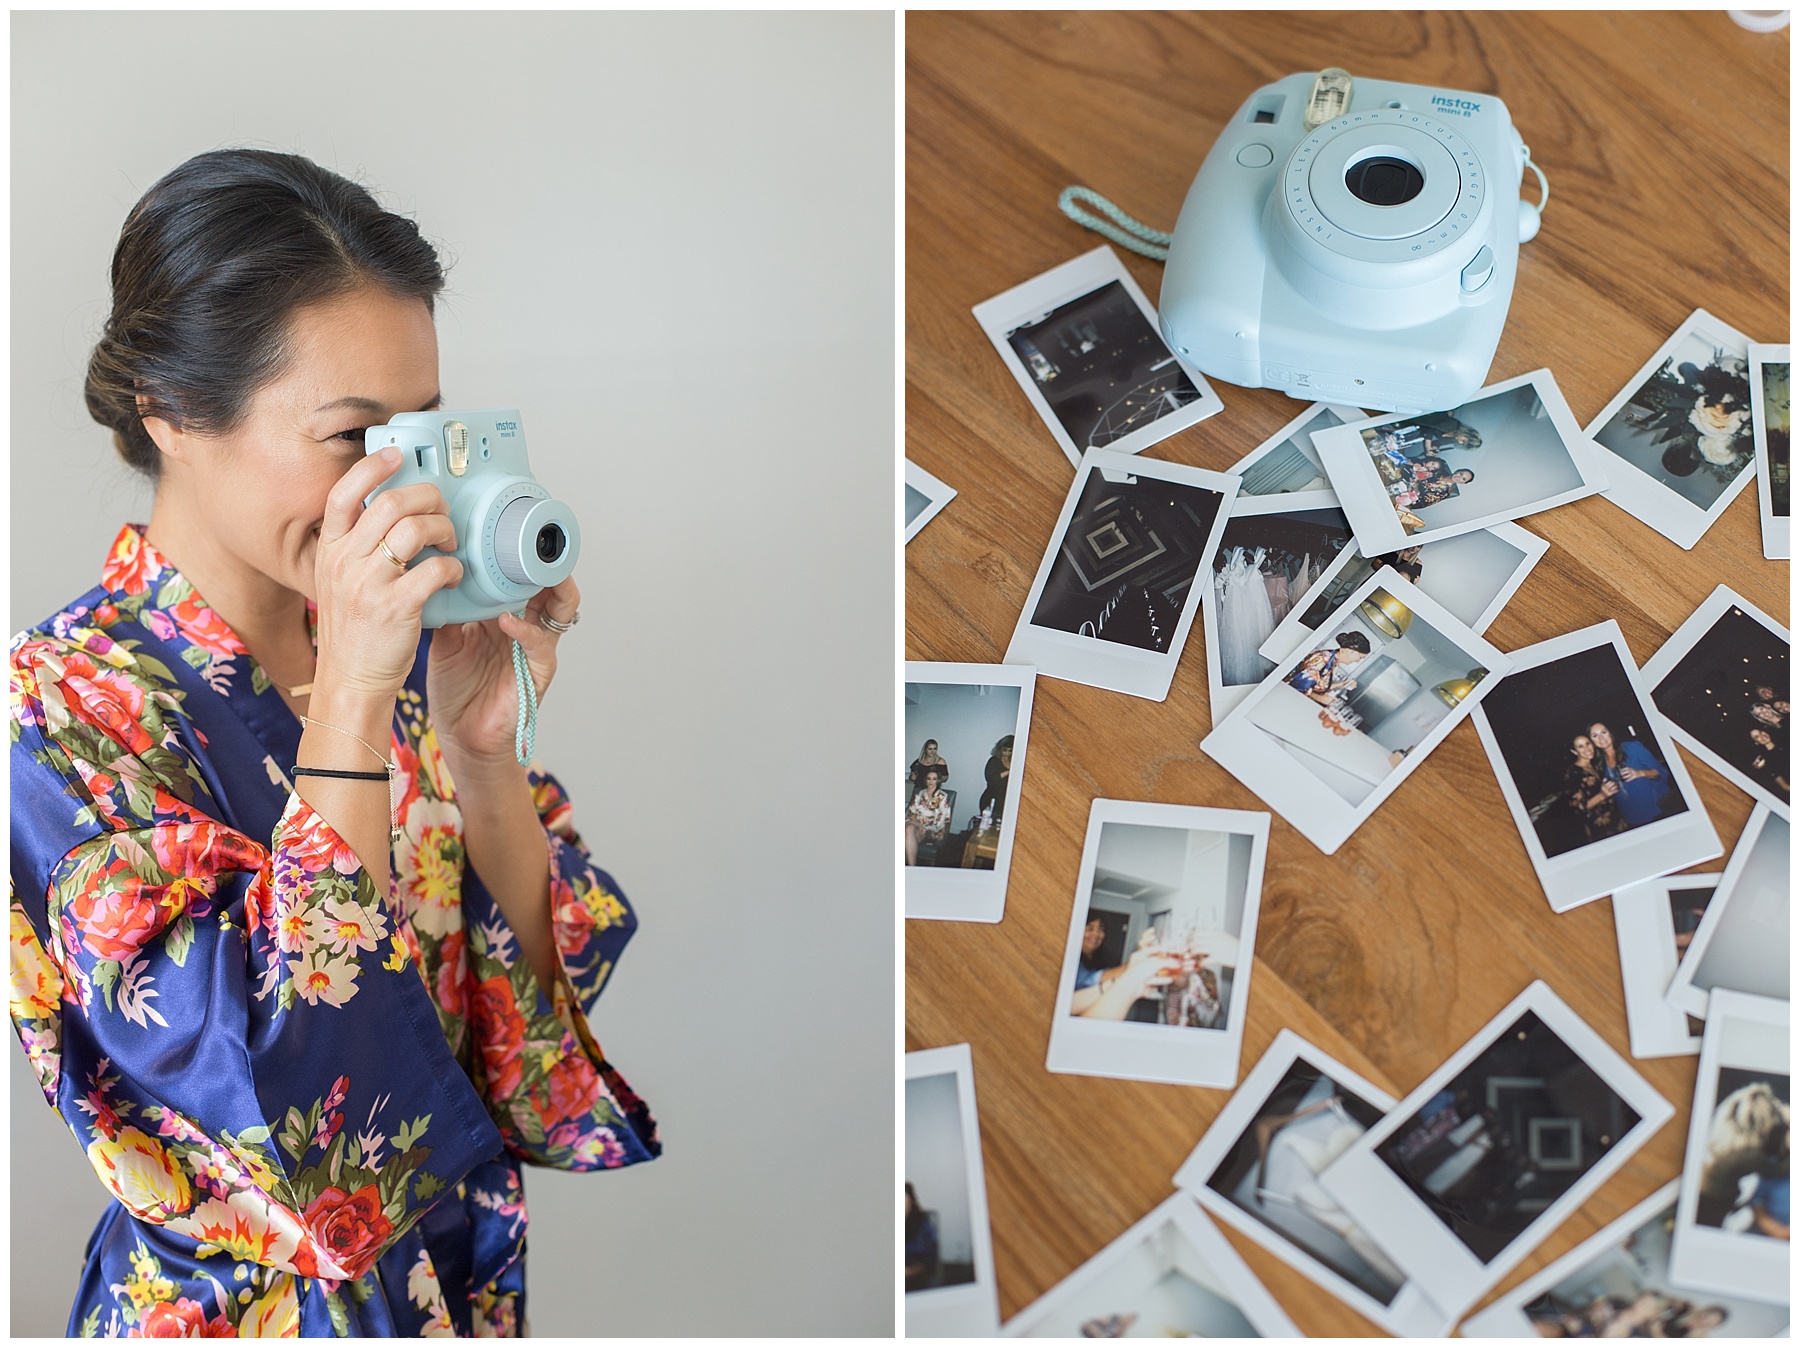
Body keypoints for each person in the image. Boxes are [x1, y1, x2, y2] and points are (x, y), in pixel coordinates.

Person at [9, 150, 658, 1338]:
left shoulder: (398, 642)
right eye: (353, 437)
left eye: (417, 434)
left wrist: (479, 752)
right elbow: (293, 1121)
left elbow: (508, 1034)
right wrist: (355, 696)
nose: (395, 489)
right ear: (170, 409)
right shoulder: (59, 711)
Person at [1588, 722, 1671, 828]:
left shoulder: (1632, 748)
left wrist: (1640, 773)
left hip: (1658, 810)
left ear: (1610, 733)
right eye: (1595, 735)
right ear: (1592, 742)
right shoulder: (1599, 765)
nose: (1601, 738)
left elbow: (1662, 772)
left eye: (1604, 732)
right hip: (1632, 818)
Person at [1562, 734, 1624, 840]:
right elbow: (1577, 807)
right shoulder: (1574, 773)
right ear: (1574, 751)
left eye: (1588, 743)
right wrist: (1602, 795)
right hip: (1599, 827)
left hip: (1614, 819)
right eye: (1580, 746)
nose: (1587, 749)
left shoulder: (1593, 765)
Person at [905, 769, 952, 865]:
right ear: (925, 780)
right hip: (915, 823)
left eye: (934, 779)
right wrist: (919, 825)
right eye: (928, 779)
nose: (931, 782)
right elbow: (912, 813)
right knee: (909, 828)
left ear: (938, 780)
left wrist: (924, 827)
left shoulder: (943, 797)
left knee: (907, 833)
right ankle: (911, 868)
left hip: (930, 829)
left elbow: (942, 819)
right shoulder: (919, 794)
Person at [903, 1182, 939, 1292]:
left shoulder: (922, 1224)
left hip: (918, 1281)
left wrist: (909, 1271)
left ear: (911, 1202)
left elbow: (929, 1261)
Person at [978, 735, 1013, 820]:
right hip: (991, 798)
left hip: (1007, 799)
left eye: (1010, 751)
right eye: (1005, 750)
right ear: (1000, 749)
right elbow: (991, 779)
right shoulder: (994, 760)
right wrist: (1009, 771)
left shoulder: (1015, 761)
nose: (1007, 753)